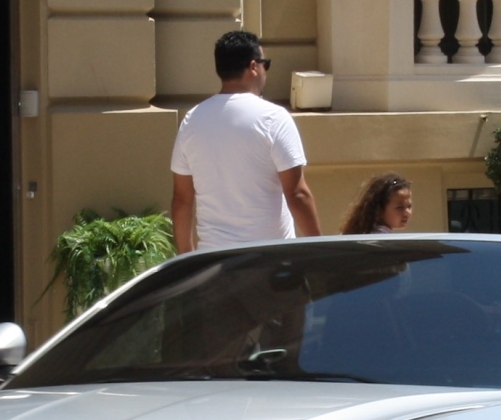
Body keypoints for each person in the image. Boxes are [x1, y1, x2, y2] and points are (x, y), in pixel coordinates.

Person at [170, 30, 321, 253]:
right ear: (253, 67)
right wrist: (320, 251)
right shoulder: (274, 118)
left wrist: (186, 257)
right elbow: (297, 194)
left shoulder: (192, 120)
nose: (265, 72)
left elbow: (182, 200)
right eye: (265, 64)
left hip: (215, 261)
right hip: (270, 261)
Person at [341, 173, 415, 235]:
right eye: (399, 207)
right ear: (379, 209)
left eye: (409, 206)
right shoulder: (380, 239)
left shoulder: (362, 235)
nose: (407, 213)